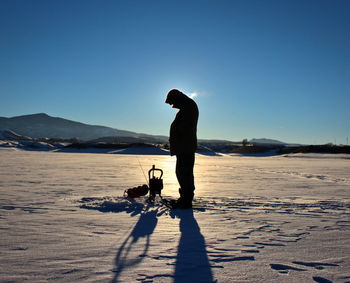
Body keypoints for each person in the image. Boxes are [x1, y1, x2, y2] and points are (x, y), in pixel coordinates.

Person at [165, 89, 199, 209]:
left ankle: (186, 201)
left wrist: (177, 133)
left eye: (172, 102)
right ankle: (184, 198)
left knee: (184, 174)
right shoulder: (187, 107)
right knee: (183, 173)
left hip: (185, 147)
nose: (172, 106)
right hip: (184, 147)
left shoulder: (188, 107)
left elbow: (185, 127)